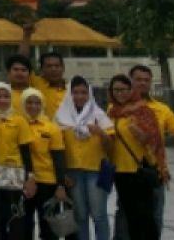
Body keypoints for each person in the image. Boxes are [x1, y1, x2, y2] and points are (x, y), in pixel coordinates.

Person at [125, 64, 174, 237]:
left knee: (155, 217)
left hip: (154, 170)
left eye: (146, 80)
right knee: (127, 219)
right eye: (138, 79)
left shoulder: (161, 109)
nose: (143, 83)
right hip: (127, 171)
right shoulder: (119, 108)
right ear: (130, 81)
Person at [54, 77, 111, 240]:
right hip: (73, 172)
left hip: (96, 171)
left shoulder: (99, 115)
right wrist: (62, 174)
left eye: (83, 92)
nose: (79, 96)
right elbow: (56, 148)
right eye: (75, 92)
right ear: (69, 94)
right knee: (80, 215)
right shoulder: (61, 116)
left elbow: (110, 147)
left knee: (99, 214)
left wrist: (101, 133)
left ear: (89, 94)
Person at [107, 74, 162, 240]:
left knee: (145, 216)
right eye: (116, 90)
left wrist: (142, 135)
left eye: (124, 89)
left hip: (140, 170)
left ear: (131, 90)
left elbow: (155, 139)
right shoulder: (111, 111)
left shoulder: (143, 110)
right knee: (130, 216)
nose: (120, 93)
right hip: (121, 171)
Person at [0, 83, 34, 240]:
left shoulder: (19, 120)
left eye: (6, 96)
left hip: (12, 172)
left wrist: (29, 176)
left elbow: (25, 151)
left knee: (14, 216)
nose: (2, 100)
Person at [20, 89, 69, 240]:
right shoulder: (17, 124)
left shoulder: (51, 128)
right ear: (22, 103)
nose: (33, 106)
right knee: (24, 225)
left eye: (37, 102)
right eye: (29, 102)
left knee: (48, 229)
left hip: (47, 183)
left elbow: (59, 158)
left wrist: (60, 185)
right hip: (22, 182)